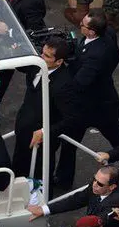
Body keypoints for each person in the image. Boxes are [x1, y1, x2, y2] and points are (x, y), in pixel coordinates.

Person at [12, 37, 84, 189]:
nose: (41, 57)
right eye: (42, 53)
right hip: (23, 127)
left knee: (40, 171)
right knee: (19, 165)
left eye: (47, 56)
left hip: (43, 138)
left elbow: (72, 118)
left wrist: (45, 132)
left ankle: (41, 203)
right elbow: (23, 67)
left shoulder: (64, 85)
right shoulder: (37, 64)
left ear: (59, 62)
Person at [63, 10, 119, 184]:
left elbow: (79, 83)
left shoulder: (95, 56)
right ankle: (63, 178)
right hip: (101, 101)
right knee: (69, 143)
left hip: (96, 108)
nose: (79, 25)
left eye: (82, 24)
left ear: (91, 32)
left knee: (118, 141)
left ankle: (63, 179)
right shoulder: (108, 34)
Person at [0, 0, 46, 105]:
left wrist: (8, 31)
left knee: (0, 80)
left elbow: (35, 32)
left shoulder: (33, 1)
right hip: (8, 41)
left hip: (18, 46)